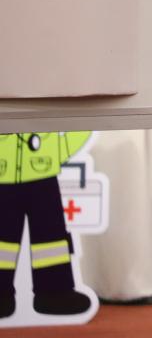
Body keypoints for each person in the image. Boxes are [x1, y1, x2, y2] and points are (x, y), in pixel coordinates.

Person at [0, 131, 95, 318]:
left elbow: (83, 124)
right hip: (7, 173)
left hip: (43, 171)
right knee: (3, 238)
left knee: (50, 237)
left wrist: (58, 151)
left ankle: (54, 292)